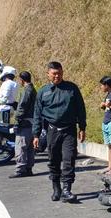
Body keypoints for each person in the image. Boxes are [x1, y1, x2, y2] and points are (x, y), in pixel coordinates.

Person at [33, 61, 86, 202]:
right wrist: (36, 135)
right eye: (54, 74)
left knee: (69, 159)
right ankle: (56, 188)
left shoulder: (72, 89)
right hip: (52, 130)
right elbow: (37, 114)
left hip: (69, 130)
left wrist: (82, 127)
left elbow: (81, 109)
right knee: (53, 160)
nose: (57, 76)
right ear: (48, 74)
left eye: (60, 73)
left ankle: (67, 189)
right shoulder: (43, 92)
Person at [9, 71, 37, 178]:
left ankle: (20, 169)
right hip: (32, 122)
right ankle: (29, 168)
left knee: (20, 146)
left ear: (22, 80)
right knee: (30, 147)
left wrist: (17, 121)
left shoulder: (26, 91)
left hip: (24, 122)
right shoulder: (33, 90)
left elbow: (22, 107)